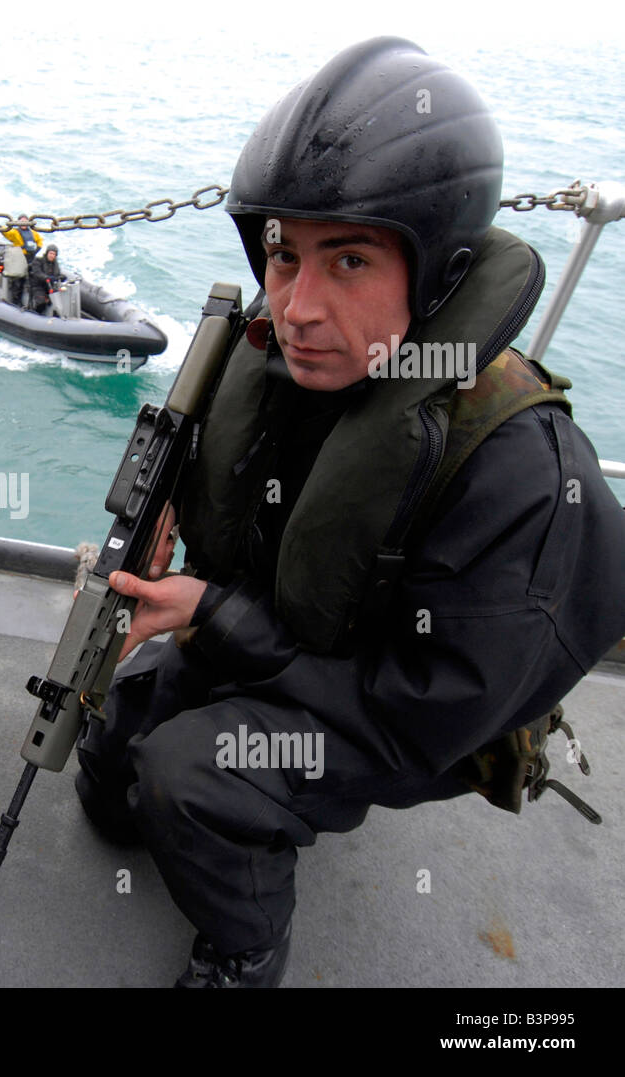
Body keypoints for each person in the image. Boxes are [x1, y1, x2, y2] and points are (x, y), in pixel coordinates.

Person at [74, 37, 625, 987]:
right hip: (291, 634)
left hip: (412, 710)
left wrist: (215, 621)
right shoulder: (295, 365)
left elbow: (419, 717)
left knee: (190, 778)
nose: (298, 307)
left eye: (352, 260)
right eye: (284, 255)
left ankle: (246, 942)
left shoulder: (520, 477)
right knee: (115, 752)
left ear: (440, 272)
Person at [28, 244, 66, 314]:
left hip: (49, 287)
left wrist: (61, 277)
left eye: (54, 254)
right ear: (47, 253)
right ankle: (36, 313)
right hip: (38, 286)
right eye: (51, 253)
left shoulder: (55, 265)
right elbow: (37, 273)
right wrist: (46, 278)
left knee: (59, 300)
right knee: (41, 302)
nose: (52, 256)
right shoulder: (38, 261)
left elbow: (57, 275)